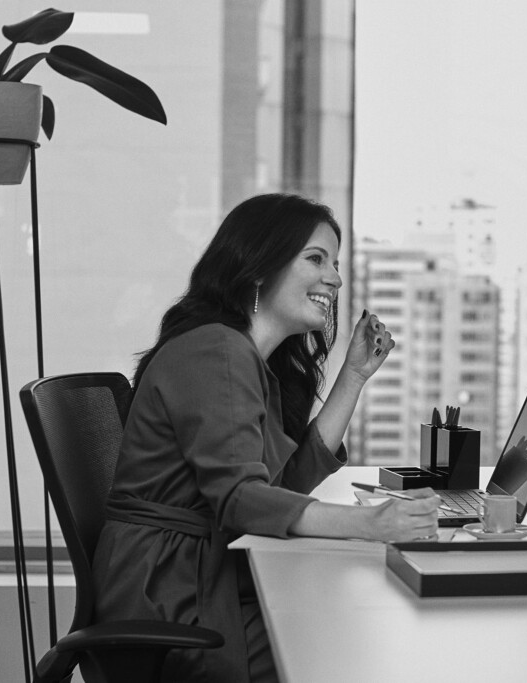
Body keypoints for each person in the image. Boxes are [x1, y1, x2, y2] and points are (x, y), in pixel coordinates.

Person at [91, 193, 441, 682]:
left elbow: (279, 488)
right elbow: (241, 499)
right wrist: (370, 525)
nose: (335, 278)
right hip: (170, 593)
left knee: (345, 625)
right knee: (345, 644)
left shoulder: (245, 359)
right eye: (315, 259)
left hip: (192, 572)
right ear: (259, 266)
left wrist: (354, 375)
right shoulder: (218, 352)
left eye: (335, 264)